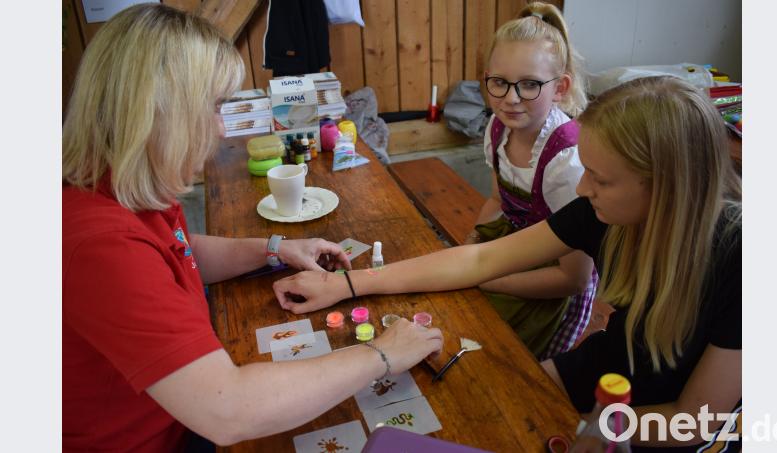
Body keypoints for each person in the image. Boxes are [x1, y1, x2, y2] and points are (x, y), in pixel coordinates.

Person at [274, 76, 741, 448]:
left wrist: (589, 429)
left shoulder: (744, 261)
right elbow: (479, 259)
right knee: (489, 406)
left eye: (598, 179)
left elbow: (695, 419)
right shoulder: (605, 212)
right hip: (611, 369)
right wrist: (349, 285)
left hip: (671, 424)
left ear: (664, 189)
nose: (581, 190)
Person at [62, 4, 443, 451]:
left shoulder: (124, 187)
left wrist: (274, 248)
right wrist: (381, 354)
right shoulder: (99, 241)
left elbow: (180, 254)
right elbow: (230, 410)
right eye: (213, 107)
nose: (222, 129)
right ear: (156, 111)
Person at [466, 2, 596, 359]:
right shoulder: (498, 128)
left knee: (502, 357)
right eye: (499, 83)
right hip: (516, 249)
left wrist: (489, 277)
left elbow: (575, 278)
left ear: (560, 87)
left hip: (553, 277)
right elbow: (497, 201)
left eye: (529, 85)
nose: (510, 98)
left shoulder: (566, 161)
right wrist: (474, 242)